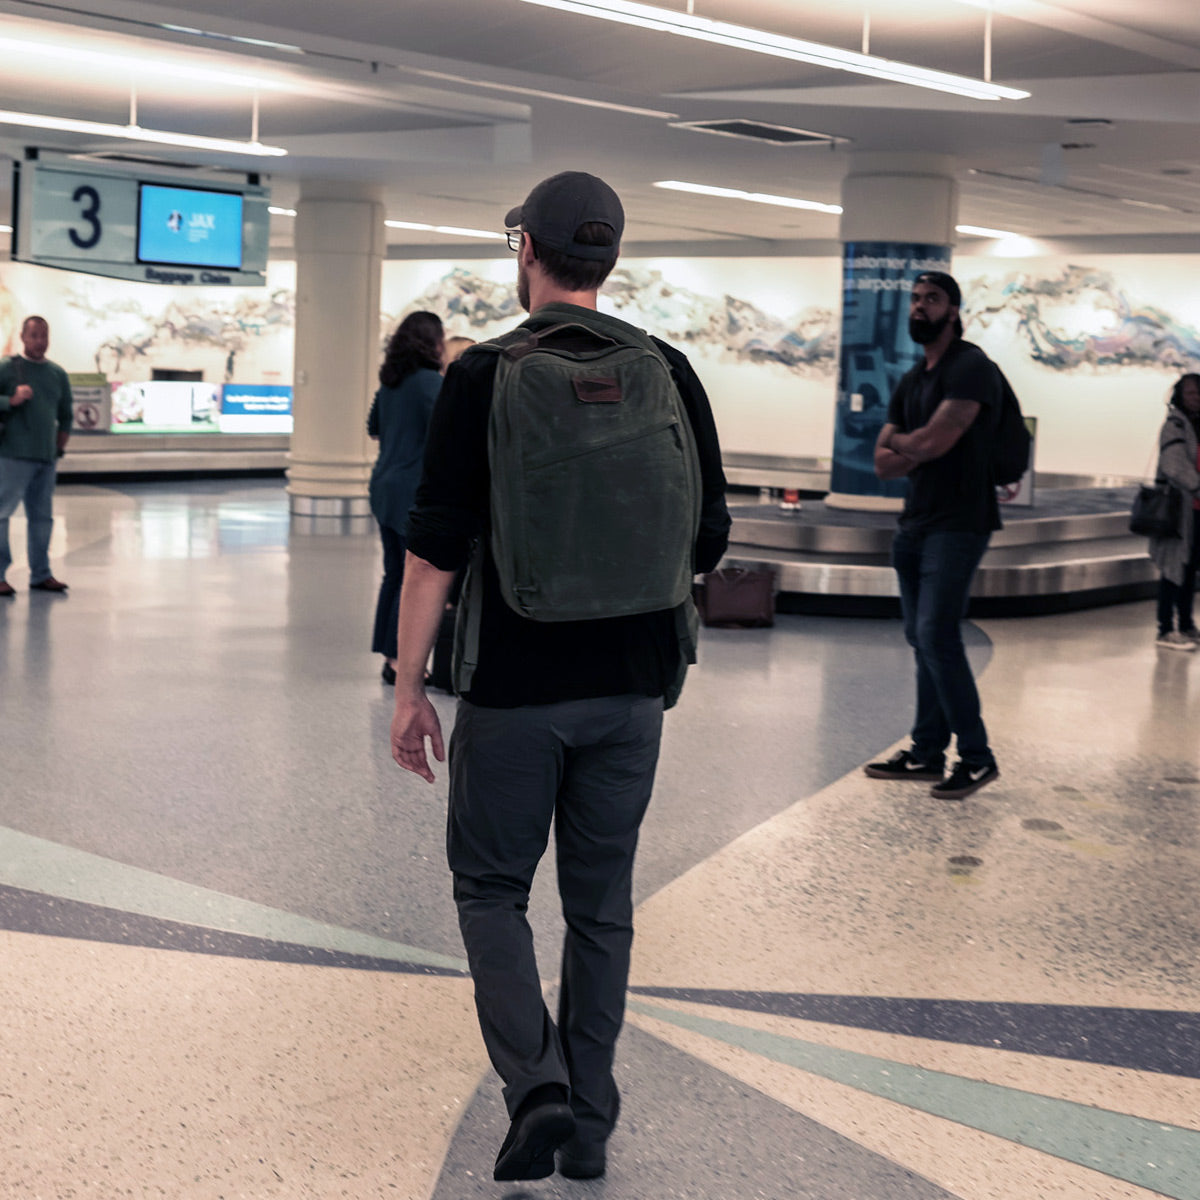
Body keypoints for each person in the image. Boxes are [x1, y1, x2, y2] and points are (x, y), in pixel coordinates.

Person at [388, 171, 729, 1182]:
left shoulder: (483, 374)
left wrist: (410, 688)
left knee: (492, 890)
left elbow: (432, 550)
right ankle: (589, 1119)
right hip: (633, 689)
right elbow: (708, 539)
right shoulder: (669, 368)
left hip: (514, 688)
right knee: (601, 904)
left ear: (524, 251)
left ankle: (534, 1085)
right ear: (608, 258)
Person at [865, 271, 1001, 801]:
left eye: (932, 299)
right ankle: (926, 752)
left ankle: (976, 756)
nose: (920, 307)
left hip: (959, 523)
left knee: (938, 638)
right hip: (916, 523)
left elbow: (934, 442)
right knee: (923, 641)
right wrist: (911, 443)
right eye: (916, 299)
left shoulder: (972, 368)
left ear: (954, 309)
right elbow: (882, 464)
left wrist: (907, 441)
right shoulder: (911, 379)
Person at [367, 311, 445, 683]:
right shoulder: (430, 381)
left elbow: (373, 427)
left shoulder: (390, 383)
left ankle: (387, 655)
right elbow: (447, 429)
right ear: (433, 342)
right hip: (411, 491)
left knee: (393, 572)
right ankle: (399, 662)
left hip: (383, 485)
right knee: (410, 575)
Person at [0, 316, 73, 597]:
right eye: (34, 336)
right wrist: (11, 400)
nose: (40, 342)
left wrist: (59, 445)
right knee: (3, 514)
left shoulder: (57, 373)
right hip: (12, 455)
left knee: (42, 518)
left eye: (44, 336)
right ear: (23, 337)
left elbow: (65, 414)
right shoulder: (7, 368)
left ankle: (41, 574)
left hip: (46, 457)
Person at [1149, 373, 1200, 651]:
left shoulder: (1197, 425)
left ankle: (1187, 625)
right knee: (1173, 568)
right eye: (1190, 393)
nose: (1195, 398)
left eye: (1198, 393)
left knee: (1190, 569)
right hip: (1179, 511)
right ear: (1179, 394)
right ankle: (1166, 628)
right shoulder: (1175, 425)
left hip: (1196, 511)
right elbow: (1174, 465)